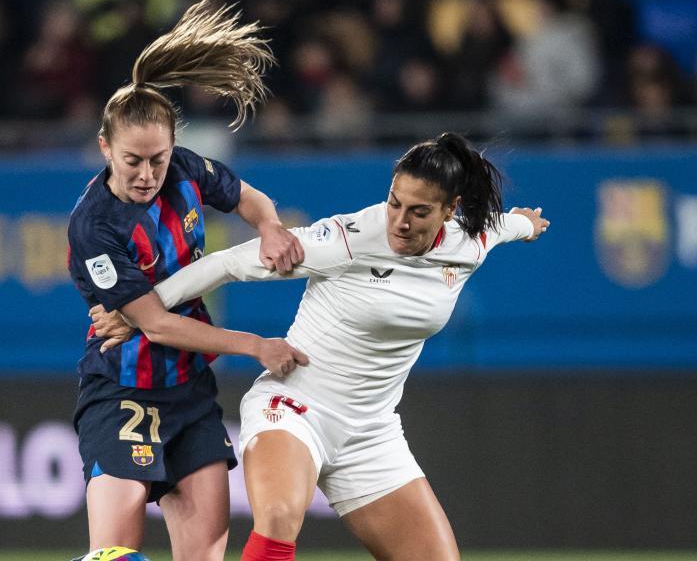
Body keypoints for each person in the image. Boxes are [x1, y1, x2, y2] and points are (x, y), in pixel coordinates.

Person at [92, 132, 551, 561]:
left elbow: (505, 226)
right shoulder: (349, 238)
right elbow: (228, 263)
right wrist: (142, 310)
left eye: (419, 212)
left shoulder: (470, 241)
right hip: (294, 406)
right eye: (394, 203)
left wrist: (526, 225)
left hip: (372, 434)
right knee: (278, 519)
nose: (401, 221)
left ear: (450, 211)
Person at [66, 0, 309, 561]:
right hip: (121, 392)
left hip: (190, 394)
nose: (148, 173)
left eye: (158, 157)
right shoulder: (93, 226)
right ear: (105, 149)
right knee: (112, 557)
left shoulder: (186, 169)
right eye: (133, 160)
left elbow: (249, 197)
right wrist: (254, 346)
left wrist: (270, 227)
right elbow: (153, 324)